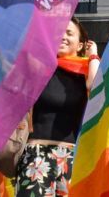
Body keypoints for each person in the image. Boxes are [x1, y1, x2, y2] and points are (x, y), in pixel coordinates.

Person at [14, 17, 98, 195]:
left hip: (71, 158)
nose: (63, 37)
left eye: (69, 33)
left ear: (81, 44)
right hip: (35, 156)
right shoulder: (38, 67)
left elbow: (95, 87)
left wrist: (94, 56)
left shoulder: (84, 72)